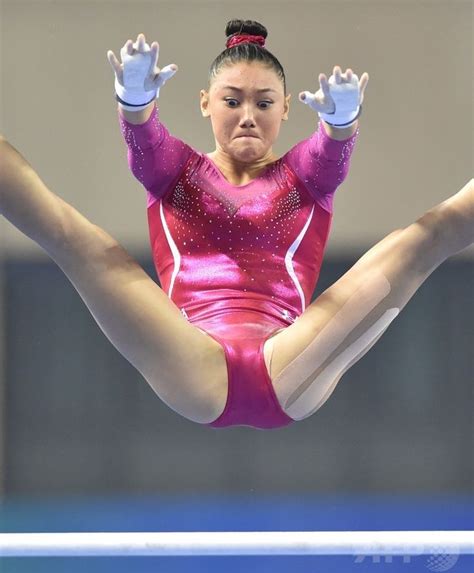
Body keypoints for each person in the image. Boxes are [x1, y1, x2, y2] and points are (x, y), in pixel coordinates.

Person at [0, 21, 472, 431]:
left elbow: (327, 155)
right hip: (193, 360)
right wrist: (135, 100)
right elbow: (146, 141)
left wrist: (343, 123)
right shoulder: (175, 171)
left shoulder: (302, 178)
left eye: (264, 104)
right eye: (233, 100)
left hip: (288, 364)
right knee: (73, 238)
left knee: (425, 238)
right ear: (206, 103)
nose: (248, 116)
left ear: (286, 108)